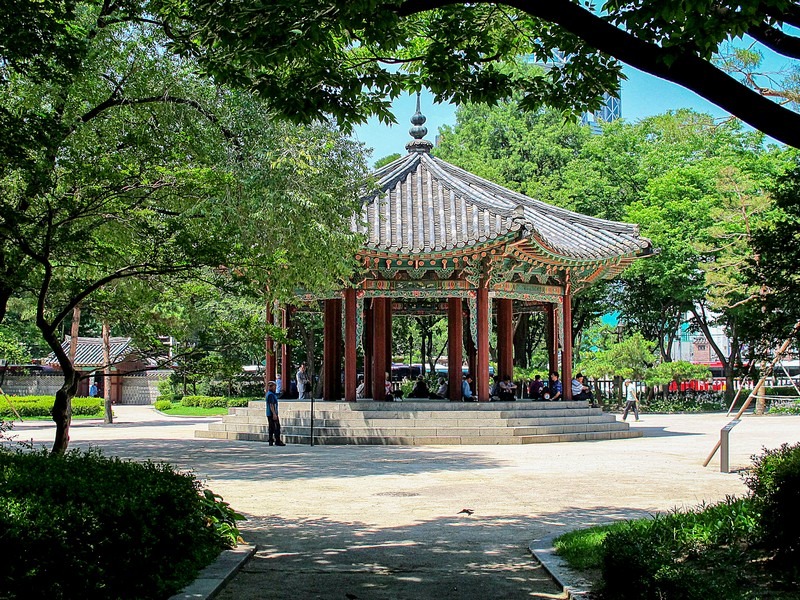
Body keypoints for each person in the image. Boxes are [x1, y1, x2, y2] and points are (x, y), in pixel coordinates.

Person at [265, 380, 285, 446]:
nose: (275, 387)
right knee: (276, 427)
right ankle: (277, 440)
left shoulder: (270, 394)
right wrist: (274, 414)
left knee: (271, 427)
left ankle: (271, 440)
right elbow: (271, 405)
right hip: (272, 413)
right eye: (274, 386)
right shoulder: (270, 394)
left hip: (269, 413)